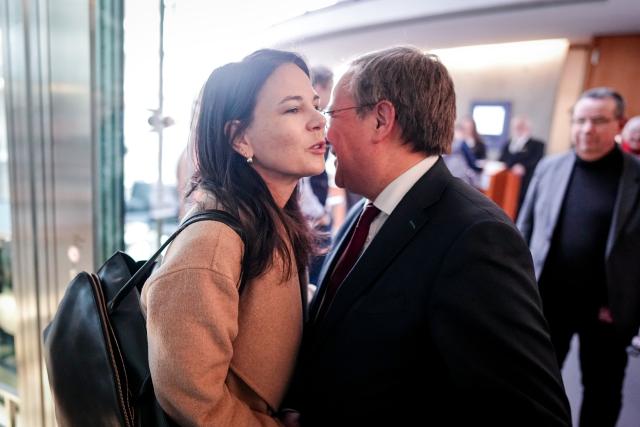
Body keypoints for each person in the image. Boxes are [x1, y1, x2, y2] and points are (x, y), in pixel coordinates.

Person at [284, 46, 571, 427]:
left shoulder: (476, 237)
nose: (325, 129)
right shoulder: (364, 211)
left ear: (381, 120)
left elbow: (534, 414)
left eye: (332, 114)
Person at [140, 49, 327, 426]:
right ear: (240, 138)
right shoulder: (211, 243)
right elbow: (194, 402)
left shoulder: (270, 220)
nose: (318, 121)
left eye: (316, 105)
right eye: (293, 109)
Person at [517, 87, 640, 427]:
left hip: (607, 312)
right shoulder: (549, 168)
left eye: (599, 120)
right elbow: (523, 232)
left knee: (602, 391)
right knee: (534, 385)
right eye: (581, 120)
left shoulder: (636, 176)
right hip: (546, 303)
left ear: (619, 124)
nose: (587, 129)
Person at [499, 115, 545, 211]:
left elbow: (537, 161)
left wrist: (523, 166)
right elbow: (501, 160)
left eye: (520, 127)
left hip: (526, 184)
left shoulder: (538, 145)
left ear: (527, 128)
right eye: (515, 127)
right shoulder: (508, 144)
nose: (517, 130)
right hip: (508, 185)